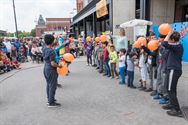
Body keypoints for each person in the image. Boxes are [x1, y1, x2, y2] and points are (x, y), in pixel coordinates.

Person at [161, 31, 183, 117]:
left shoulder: (177, 46)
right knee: (170, 88)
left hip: (174, 70)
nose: (168, 40)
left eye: (170, 39)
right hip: (172, 70)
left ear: (173, 40)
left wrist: (169, 34)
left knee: (170, 90)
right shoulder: (175, 46)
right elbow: (165, 47)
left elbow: (164, 43)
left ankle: (177, 110)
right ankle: (171, 104)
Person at [42, 34, 62, 107]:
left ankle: (49, 99)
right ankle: (51, 102)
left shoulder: (44, 48)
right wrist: (59, 66)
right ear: (52, 41)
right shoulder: (51, 51)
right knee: (52, 86)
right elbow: (53, 63)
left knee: (48, 84)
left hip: (46, 68)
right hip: (51, 69)